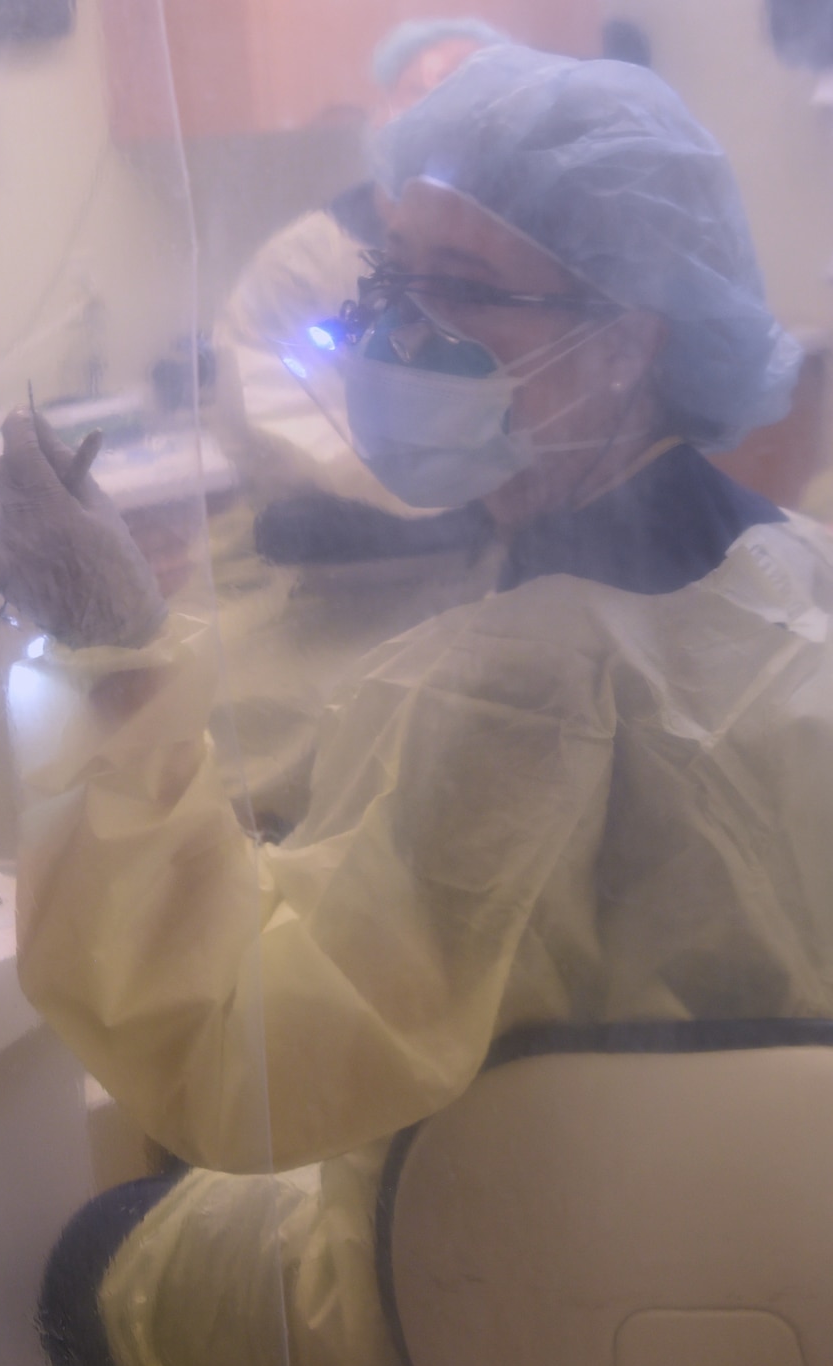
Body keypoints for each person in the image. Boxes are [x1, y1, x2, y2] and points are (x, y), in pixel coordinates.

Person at [0, 45, 833, 1366]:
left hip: (524, 1307)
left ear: (631, 336)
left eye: (469, 290)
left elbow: (231, 1061)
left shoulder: (501, 701)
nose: (398, 339)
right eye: (397, 280)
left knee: (93, 1253)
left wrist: (104, 659)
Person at [206, 17, 512, 837]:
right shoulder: (309, 261)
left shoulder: (528, 264)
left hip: (476, 586)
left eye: (473, 96)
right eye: (422, 94)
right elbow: (305, 435)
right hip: (320, 586)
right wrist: (483, 473)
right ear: (381, 120)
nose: (445, 115)